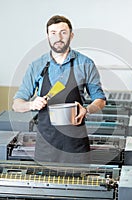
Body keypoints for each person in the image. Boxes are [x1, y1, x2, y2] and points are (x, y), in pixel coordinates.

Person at [12, 15, 106, 164]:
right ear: (48, 36)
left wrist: (87, 110)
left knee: (78, 186)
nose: (58, 37)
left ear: (71, 35)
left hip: (76, 145)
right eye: (53, 33)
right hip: (46, 145)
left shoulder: (85, 64)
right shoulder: (36, 66)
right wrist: (31, 104)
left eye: (63, 32)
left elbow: (100, 100)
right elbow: (17, 104)